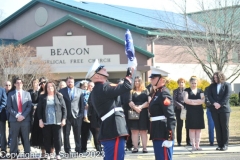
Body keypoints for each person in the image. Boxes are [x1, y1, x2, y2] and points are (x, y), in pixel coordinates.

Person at [86, 59, 133, 160]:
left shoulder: (101, 88)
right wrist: (129, 73)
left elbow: (122, 90)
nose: (105, 69)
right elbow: (126, 86)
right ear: (97, 76)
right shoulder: (103, 88)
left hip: (111, 129)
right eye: (102, 69)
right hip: (114, 129)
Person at [148, 67, 176, 160]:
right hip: (157, 131)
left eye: (153, 78)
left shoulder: (164, 94)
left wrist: (169, 137)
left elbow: (170, 116)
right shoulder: (157, 93)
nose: (151, 79)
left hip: (163, 133)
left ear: (162, 80)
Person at [38, 81, 67, 160]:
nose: (50, 88)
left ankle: (57, 153)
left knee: (57, 138)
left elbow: (64, 109)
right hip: (46, 121)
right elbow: (39, 110)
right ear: (46, 88)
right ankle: (48, 153)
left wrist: (64, 119)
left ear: (54, 87)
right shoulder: (42, 97)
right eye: (48, 87)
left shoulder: (59, 96)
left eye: (51, 86)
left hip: (57, 121)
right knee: (47, 138)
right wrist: (40, 120)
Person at [7, 77, 32, 158]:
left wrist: (23, 115)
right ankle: (13, 153)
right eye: (17, 83)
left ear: (22, 84)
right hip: (14, 119)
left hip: (25, 119)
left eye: (20, 83)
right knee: (14, 138)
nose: (19, 84)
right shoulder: (11, 94)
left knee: (26, 138)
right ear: (14, 84)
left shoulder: (27, 94)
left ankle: (27, 153)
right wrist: (17, 115)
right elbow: (9, 107)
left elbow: (29, 106)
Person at [59, 76, 85, 154]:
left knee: (77, 134)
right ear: (66, 82)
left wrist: (81, 114)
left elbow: (82, 104)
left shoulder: (80, 91)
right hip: (66, 116)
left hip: (77, 116)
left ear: (74, 82)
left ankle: (78, 149)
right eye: (69, 82)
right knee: (66, 135)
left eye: (72, 82)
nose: (70, 83)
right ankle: (67, 150)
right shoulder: (61, 91)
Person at [208, 71, 231, 151]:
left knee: (224, 127)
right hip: (214, 109)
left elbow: (227, 96)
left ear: (221, 77)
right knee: (217, 127)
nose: (215, 79)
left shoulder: (227, 85)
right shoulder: (212, 86)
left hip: (224, 109)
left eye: (216, 77)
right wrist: (214, 103)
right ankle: (219, 144)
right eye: (214, 78)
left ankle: (225, 144)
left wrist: (220, 104)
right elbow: (209, 95)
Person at [128, 76, 149, 153]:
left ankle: (144, 147)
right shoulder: (131, 91)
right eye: (135, 81)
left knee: (143, 131)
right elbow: (129, 101)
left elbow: (148, 102)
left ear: (141, 82)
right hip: (134, 112)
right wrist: (135, 108)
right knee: (134, 131)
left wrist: (140, 107)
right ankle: (135, 147)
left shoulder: (145, 91)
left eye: (138, 81)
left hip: (143, 112)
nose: (136, 82)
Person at [184, 76, 205, 151]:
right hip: (190, 112)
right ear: (190, 83)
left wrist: (192, 102)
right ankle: (193, 145)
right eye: (192, 83)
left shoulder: (200, 90)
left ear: (197, 83)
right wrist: (197, 101)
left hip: (199, 112)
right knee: (192, 129)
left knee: (198, 129)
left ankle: (198, 145)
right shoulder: (187, 90)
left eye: (195, 83)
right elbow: (186, 100)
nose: (193, 84)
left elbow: (203, 100)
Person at [173, 78, 191, 146]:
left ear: (184, 83)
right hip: (179, 110)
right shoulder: (175, 91)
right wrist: (180, 106)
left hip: (187, 109)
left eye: (182, 82)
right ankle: (179, 141)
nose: (181, 84)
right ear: (178, 83)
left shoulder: (187, 90)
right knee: (179, 126)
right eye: (180, 82)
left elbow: (189, 99)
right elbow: (174, 100)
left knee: (188, 126)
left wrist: (185, 106)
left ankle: (188, 141)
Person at [81, 81, 94, 152]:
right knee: (84, 133)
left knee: (95, 133)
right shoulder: (83, 93)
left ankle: (98, 148)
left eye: (92, 86)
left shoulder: (96, 94)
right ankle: (83, 148)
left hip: (93, 116)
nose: (90, 87)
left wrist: (90, 106)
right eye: (89, 85)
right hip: (84, 115)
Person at [4, 81, 12, 148]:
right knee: (2, 129)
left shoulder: (12, 93)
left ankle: (10, 142)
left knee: (11, 128)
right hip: (3, 112)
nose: (8, 86)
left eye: (9, 85)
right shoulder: (2, 92)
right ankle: (3, 142)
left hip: (10, 112)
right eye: (6, 85)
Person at [0, 85, 7, 158]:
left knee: (2, 133)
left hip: (1, 115)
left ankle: (3, 150)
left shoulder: (2, 90)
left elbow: (4, 101)